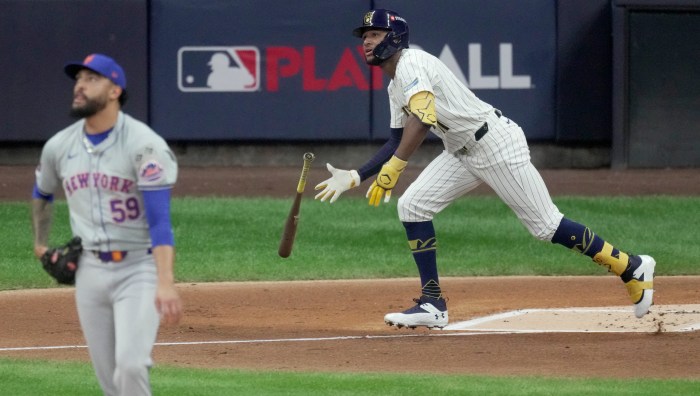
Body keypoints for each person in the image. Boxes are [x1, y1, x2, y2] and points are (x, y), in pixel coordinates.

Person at [314, 9, 655, 329]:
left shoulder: (411, 63)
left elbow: (423, 119)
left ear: (395, 36)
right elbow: (396, 139)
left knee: (546, 226)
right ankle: (433, 305)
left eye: (374, 33)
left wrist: (397, 167)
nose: (367, 42)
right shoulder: (394, 85)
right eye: (364, 36)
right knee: (413, 205)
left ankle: (630, 266)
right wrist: (358, 175)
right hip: (460, 152)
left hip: (495, 144)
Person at [31, 53, 182, 395]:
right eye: (78, 80)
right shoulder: (59, 145)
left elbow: (160, 220)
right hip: (89, 272)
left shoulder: (144, 145)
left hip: (138, 269)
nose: (80, 86)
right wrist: (40, 243)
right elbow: (42, 192)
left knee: (130, 367)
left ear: (115, 91)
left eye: (91, 79)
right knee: (108, 378)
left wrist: (165, 281)